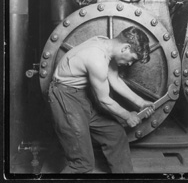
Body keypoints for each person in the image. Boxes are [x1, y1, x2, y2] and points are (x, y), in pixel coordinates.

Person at [47, 26, 155, 173]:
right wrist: (128, 116)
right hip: (65, 98)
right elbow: (104, 100)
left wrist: (140, 102)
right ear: (126, 48)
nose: (130, 64)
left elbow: (114, 79)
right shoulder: (96, 58)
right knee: (82, 163)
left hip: (81, 95)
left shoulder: (106, 44)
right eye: (132, 59)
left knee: (115, 134)